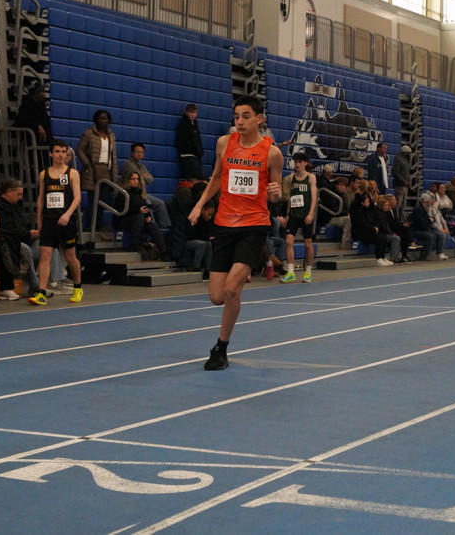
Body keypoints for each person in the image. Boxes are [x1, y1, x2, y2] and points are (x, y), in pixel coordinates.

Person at [187, 94, 282, 371]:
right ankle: (236, 292)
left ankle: (221, 347)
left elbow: (275, 195)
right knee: (217, 296)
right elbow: (217, 178)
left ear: (259, 119)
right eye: (237, 116)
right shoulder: (224, 143)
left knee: (231, 289)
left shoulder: (272, 153)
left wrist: (276, 191)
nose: (240, 121)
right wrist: (199, 205)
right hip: (225, 224)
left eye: (246, 116)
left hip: (254, 225)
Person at [29, 140, 84, 305]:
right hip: (49, 221)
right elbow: (41, 199)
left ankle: (78, 287)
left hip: (66, 222)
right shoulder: (43, 175)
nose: (60, 155)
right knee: (45, 255)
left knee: (70, 256)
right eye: (57, 151)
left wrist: (67, 214)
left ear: (67, 154)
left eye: (63, 152)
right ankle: (41, 293)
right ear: (51, 153)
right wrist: (39, 220)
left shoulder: (72, 173)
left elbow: (77, 197)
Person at [0, 178, 39, 297]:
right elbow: (7, 230)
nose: (20, 197)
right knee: (26, 249)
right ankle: (35, 286)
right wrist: (28, 234)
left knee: (46, 245)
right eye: (18, 194)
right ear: (9, 192)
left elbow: (21, 226)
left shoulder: (17, 205)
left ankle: (57, 280)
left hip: (23, 237)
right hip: (10, 241)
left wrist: (30, 234)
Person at [76, 109, 117, 236]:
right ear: (95, 119)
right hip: (93, 170)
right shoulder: (89, 133)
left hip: (106, 170)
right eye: (100, 118)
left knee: (102, 202)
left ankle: (98, 227)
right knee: (93, 200)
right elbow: (79, 150)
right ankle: (88, 227)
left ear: (108, 121)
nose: (102, 120)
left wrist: (114, 175)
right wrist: (87, 163)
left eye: (105, 118)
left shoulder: (111, 135)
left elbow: (113, 156)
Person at [280, 151, 317, 283]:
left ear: (305, 163)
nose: (297, 164)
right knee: (288, 241)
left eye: (300, 162)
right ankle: (291, 271)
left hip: (306, 214)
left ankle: (308, 272)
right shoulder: (291, 178)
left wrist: (311, 213)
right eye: (295, 162)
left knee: (308, 244)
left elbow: (314, 197)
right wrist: (287, 214)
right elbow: (291, 198)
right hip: (294, 214)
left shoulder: (311, 177)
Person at [118, 171, 169, 259]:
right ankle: (135, 244)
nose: (135, 181)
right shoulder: (123, 194)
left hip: (139, 220)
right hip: (124, 220)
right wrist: (138, 211)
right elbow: (121, 210)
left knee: (153, 226)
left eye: (137, 179)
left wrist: (148, 215)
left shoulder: (139, 193)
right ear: (127, 180)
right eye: (133, 179)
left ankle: (163, 251)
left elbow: (143, 206)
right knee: (139, 217)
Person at [122, 143, 171, 229]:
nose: (139, 154)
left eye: (141, 152)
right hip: (133, 195)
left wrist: (143, 176)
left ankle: (166, 227)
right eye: (137, 152)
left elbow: (150, 179)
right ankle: (153, 228)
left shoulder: (141, 166)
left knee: (160, 203)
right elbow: (140, 178)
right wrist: (144, 176)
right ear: (132, 153)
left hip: (143, 193)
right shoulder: (128, 164)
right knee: (148, 204)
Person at [175, 103, 204, 180]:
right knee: (192, 178)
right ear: (186, 112)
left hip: (195, 155)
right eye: (191, 112)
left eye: (194, 112)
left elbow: (197, 140)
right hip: (188, 156)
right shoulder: (183, 125)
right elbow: (181, 141)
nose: (193, 115)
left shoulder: (195, 124)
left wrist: (200, 152)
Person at [391, 145, 413, 209]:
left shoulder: (405, 160)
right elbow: (396, 172)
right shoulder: (398, 159)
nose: (410, 155)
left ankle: (401, 216)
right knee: (398, 205)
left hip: (405, 186)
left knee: (403, 206)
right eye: (408, 153)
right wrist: (403, 181)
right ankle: (396, 215)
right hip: (399, 186)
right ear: (405, 153)